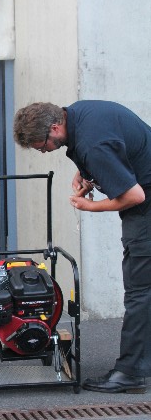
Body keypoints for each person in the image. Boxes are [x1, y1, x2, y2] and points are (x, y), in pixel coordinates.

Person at [13, 100, 151, 393]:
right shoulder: (76, 114)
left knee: (140, 291)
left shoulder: (92, 144)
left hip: (145, 206)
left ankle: (130, 373)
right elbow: (106, 146)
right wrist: (88, 174)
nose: (44, 151)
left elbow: (134, 196)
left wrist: (90, 206)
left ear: (54, 127)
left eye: (43, 146)